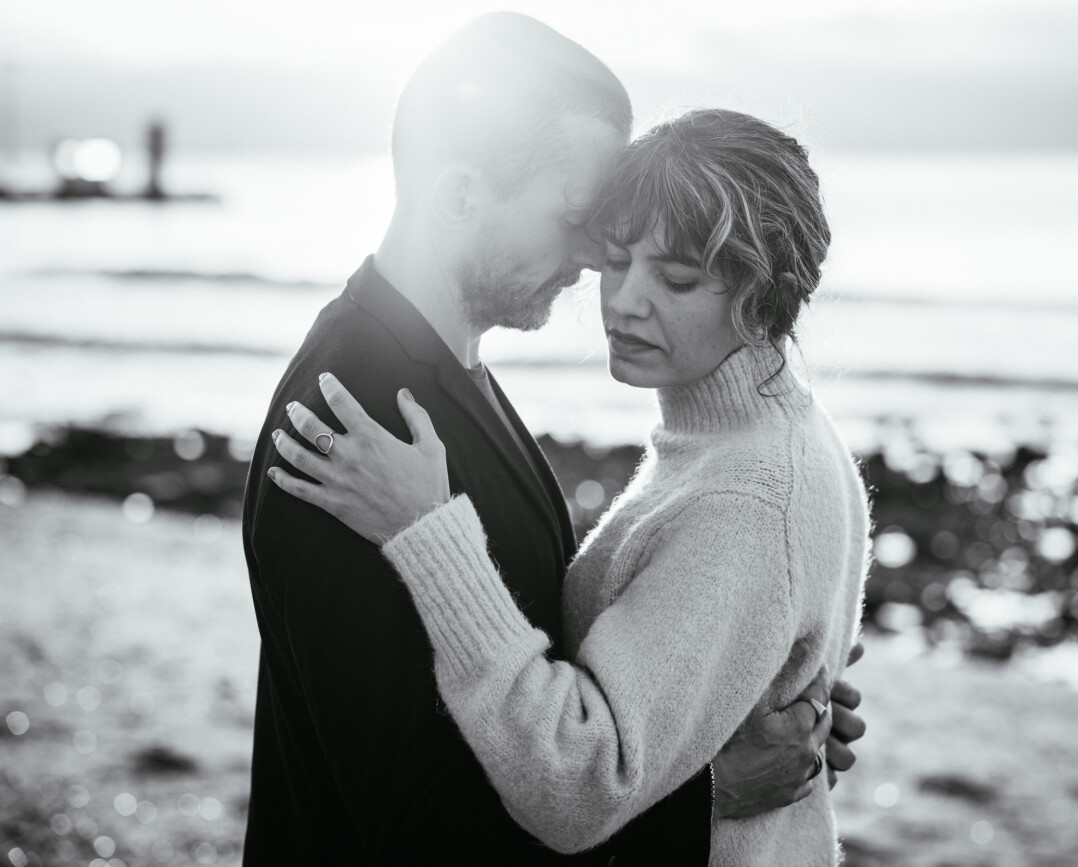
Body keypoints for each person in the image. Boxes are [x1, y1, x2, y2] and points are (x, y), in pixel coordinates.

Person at [242, 13, 866, 865]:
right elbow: (419, 828)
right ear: (462, 196)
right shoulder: (358, 424)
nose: (594, 265)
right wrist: (709, 794)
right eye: (582, 220)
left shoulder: (452, 375)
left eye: (672, 271)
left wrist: (725, 683)